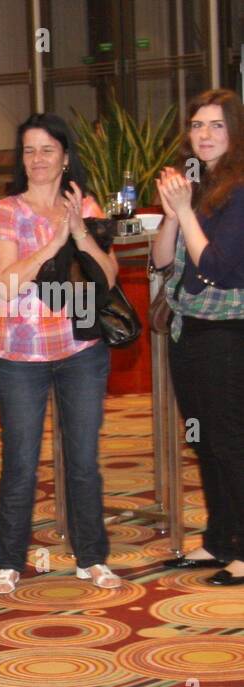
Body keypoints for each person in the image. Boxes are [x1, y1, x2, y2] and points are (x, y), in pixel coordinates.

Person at [0, 114, 122, 595]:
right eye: (28, 150)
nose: (37, 160)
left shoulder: (85, 204)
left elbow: (107, 277)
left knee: (83, 458)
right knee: (20, 460)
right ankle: (8, 561)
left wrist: (81, 231)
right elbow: (3, 284)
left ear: (65, 155)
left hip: (81, 350)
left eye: (46, 150)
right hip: (19, 356)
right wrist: (53, 242)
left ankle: (92, 557)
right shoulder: (5, 210)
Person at [152, 89, 244, 586]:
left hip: (228, 330)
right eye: (196, 125)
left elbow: (219, 268)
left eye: (215, 126)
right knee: (203, 439)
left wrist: (186, 212)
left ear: (235, 132)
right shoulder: (202, 183)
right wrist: (171, 212)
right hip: (190, 327)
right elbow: (164, 261)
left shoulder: (240, 188)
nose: (203, 135)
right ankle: (218, 537)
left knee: (230, 442)